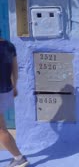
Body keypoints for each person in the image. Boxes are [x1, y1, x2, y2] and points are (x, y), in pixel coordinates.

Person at [0, 34, 29, 167]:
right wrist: (15, 86)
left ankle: (19, 158)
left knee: (1, 129)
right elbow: (15, 70)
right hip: (6, 90)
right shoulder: (9, 46)